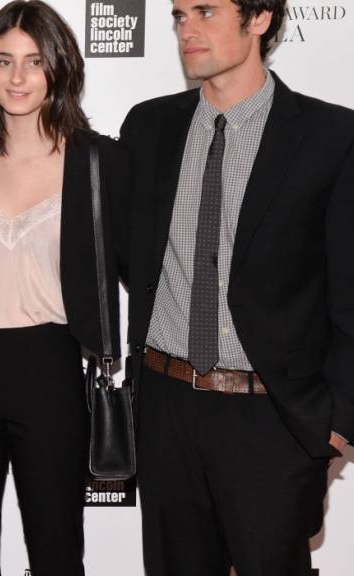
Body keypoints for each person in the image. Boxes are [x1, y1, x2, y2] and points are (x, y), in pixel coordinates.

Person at [119, 0, 354, 574]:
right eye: (178, 16)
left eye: (205, 11)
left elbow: (350, 297)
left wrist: (338, 432)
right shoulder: (148, 126)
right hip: (166, 404)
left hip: (269, 419)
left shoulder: (332, 135)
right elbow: (110, 235)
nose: (186, 30)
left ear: (260, 19)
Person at [0, 2, 130, 574]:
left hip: (49, 366)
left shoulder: (98, 161)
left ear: (59, 68)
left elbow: (140, 261)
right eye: (3, 61)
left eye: (34, 61)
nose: (17, 78)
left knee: (57, 550)